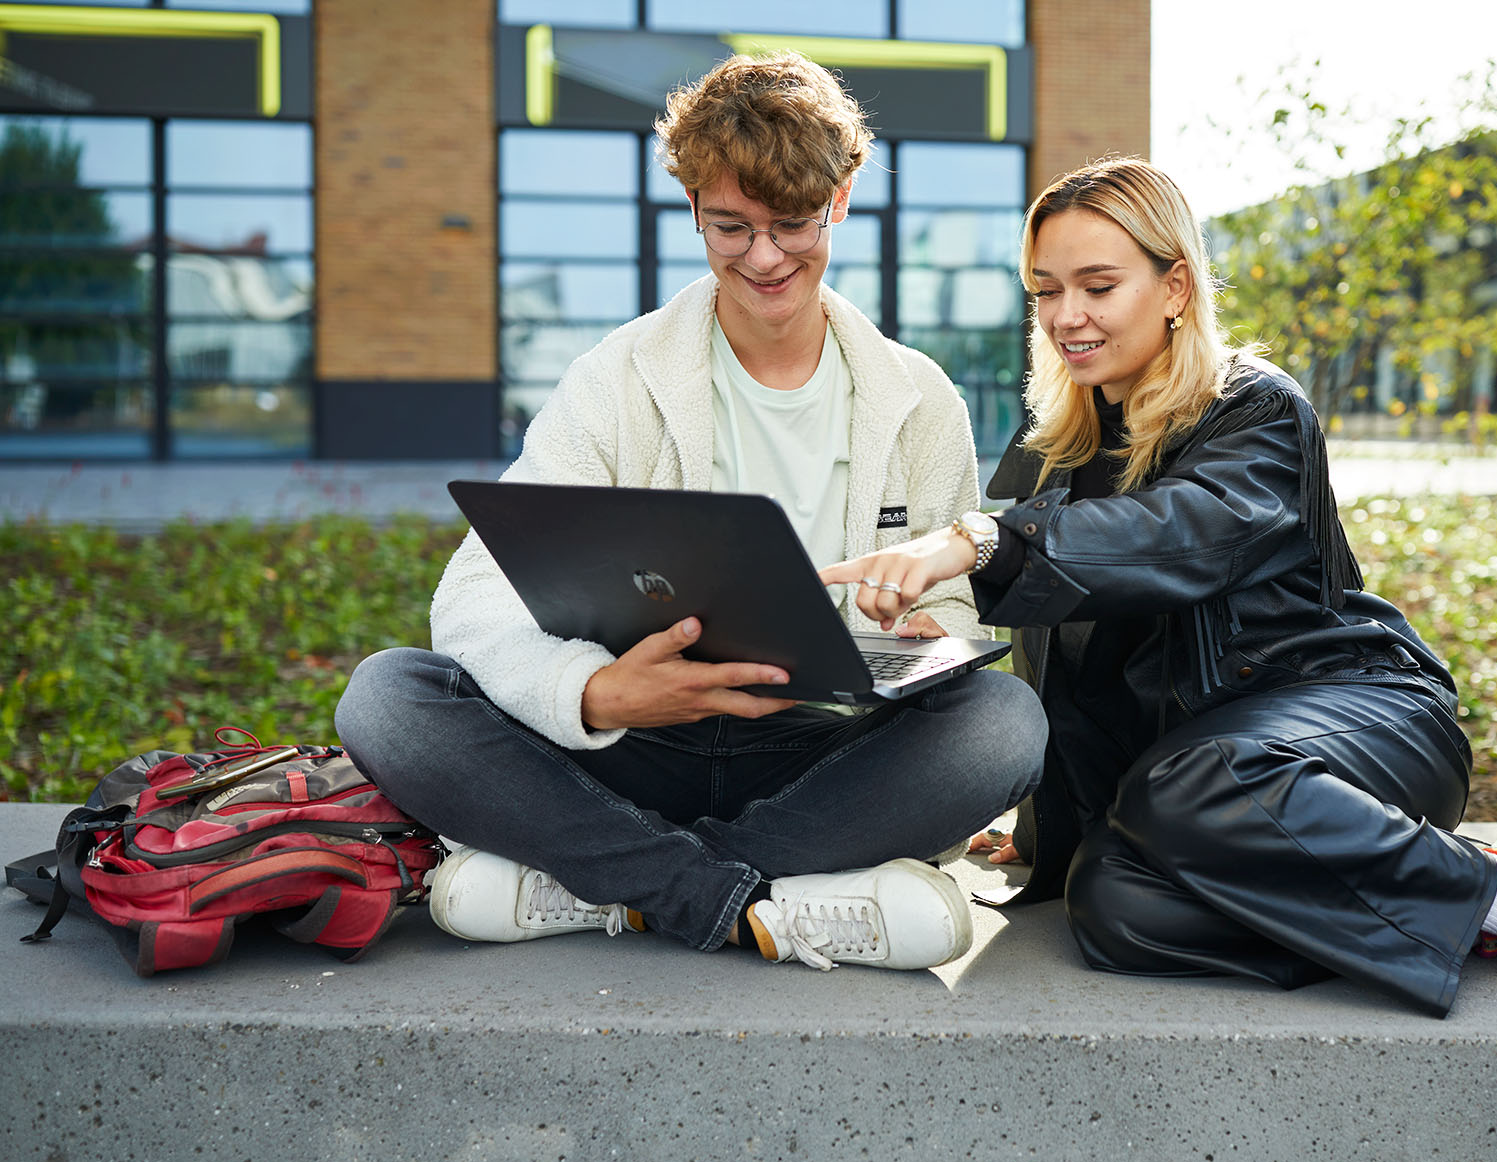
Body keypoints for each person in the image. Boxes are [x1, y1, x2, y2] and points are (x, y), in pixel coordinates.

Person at [821, 157, 1497, 1015]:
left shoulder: (1254, 409)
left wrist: (980, 539)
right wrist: (1047, 825)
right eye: (1046, 291)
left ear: (1175, 288)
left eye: (1098, 285)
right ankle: (1483, 918)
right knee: (1113, 904)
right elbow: (1077, 681)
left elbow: (1176, 540)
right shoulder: (1060, 450)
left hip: (1354, 724)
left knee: (1184, 788)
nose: (1066, 316)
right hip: (1210, 792)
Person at [335, 53, 1046, 974]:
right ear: (692, 205)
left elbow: (951, 618)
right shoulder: (617, 379)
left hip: (817, 749)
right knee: (389, 697)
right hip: (633, 742)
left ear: (843, 194)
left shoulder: (918, 399)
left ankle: (604, 883)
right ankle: (753, 897)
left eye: (792, 223)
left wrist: (914, 633)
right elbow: (474, 598)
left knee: (1004, 720)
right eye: (730, 226)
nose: (763, 257)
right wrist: (597, 693)